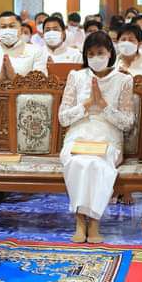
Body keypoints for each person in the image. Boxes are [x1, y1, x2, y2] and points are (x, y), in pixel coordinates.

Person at [58, 31, 135, 243]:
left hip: (107, 137)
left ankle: (94, 222)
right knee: (77, 162)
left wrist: (103, 105)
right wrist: (86, 104)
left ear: (110, 53)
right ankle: (80, 221)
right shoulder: (76, 76)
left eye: (100, 52)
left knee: (96, 164)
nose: (95, 57)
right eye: (90, 54)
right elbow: (63, 118)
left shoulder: (124, 80)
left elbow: (127, 122)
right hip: (78, 135)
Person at [0, 11, 48, 86]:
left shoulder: (36, 50)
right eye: (3, 27)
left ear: (21, 30)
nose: (7, 30)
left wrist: (13, 77)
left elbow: (41, 83)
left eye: (12, 26)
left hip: (24, 94)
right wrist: (0, 77)